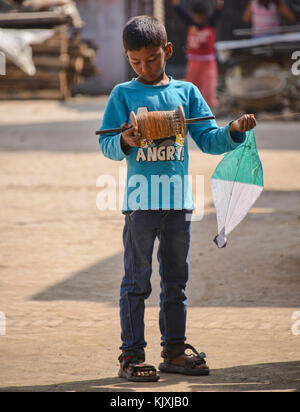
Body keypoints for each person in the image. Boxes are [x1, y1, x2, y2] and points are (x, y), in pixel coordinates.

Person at [98, 15, 256, 382]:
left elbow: (209, 139)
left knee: (176, 280)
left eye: (152, 59)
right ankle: (132, 355)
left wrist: (232, 130)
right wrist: (125, 140)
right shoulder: (122, 95)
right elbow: (107, 145)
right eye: (136, 61)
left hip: (178, 203)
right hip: (140, 203)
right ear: (127, 58)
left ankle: (173, 350)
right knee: (137, 280)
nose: (145, 67)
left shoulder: (186, 93)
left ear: (167, 50)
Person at [171, 0, 224, 110]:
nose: (198, 19)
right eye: (196, 16)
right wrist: (176, 4)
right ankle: (192, 110)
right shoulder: (190, 22)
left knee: (208, 88)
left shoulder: (210, 22)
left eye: (200, 16)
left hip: (208, 63)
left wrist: (219, 3)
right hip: (194, 62)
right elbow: (179, 10)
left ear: (204, 16)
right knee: (192, 86)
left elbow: (218, 10)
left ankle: (208, 111)